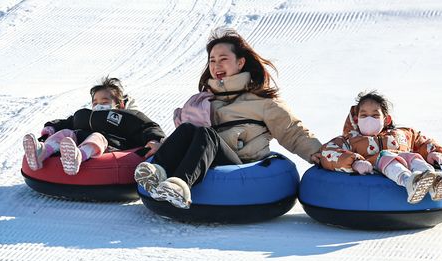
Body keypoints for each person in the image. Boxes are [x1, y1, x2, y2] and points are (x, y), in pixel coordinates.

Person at [134, 28, 322, 209]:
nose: (216, 66)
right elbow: (187, 139)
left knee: (207, 134)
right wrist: (165, 146)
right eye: (212, 60)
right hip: (203, 160)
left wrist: (319, 154)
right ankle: (157, 173)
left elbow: (292, 131)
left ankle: (179, 185)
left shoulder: (263, 102)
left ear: (240, 63)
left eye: (223, 59)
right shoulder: (205, 101)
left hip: (241, 165)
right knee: (188, 129)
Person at [317, 91, 442, 204]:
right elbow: (328, 152)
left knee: (414, 159)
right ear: (357, 119)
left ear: (386, 119)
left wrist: (435, 152)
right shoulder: (350, 139)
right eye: (364, 115)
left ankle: (435, 181)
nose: (369, 119)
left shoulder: (401, 134)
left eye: (375, 115)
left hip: (404, 159)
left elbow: (421, 141)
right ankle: (410, 182)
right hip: (378, 165)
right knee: (389, 159)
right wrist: (354, 162)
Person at [22, 77, 165, 175]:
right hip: (77, 141)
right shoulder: (84, 114)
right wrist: (50, 128)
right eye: (95, 102)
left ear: (119, 104)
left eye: (104, 101)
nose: (98, 105)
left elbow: (147, 126)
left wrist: (155, 139)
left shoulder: (126, 115)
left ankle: (77, 157)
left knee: (97, 136)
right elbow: (67, 122)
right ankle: (41, 153)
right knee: (66, 132)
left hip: (110, 144)